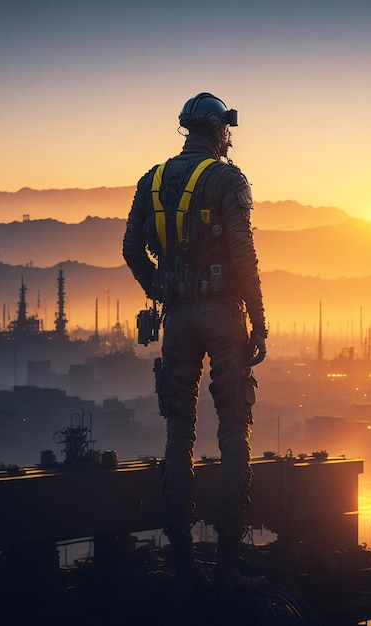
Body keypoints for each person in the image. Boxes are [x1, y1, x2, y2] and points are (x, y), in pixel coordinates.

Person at [122, 92, 267, 598]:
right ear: (215, 130)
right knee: (233, 434)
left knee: (178, 435)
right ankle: (226, 565)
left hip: (178, 316)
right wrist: (260, 322)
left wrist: (158, 287)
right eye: (226, 129)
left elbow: (130, 247)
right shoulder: (228, 179)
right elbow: (242, 251)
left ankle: (185, 565)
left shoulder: (154, 179)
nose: (229, 137)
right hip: (224, 316)